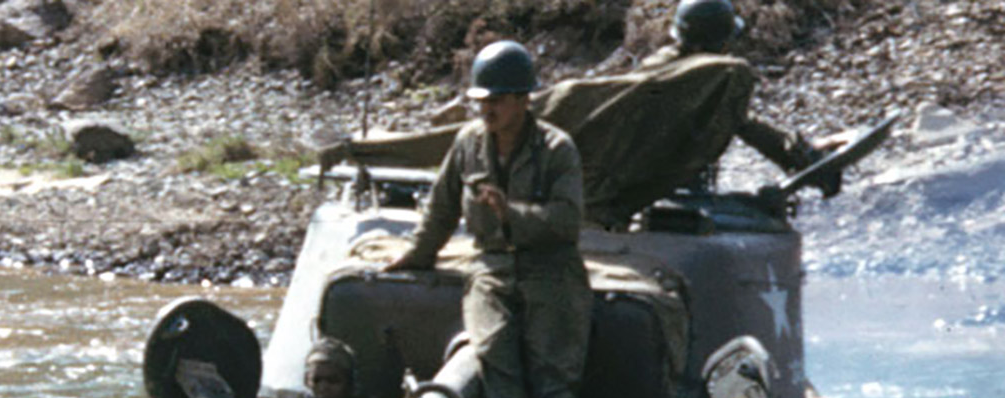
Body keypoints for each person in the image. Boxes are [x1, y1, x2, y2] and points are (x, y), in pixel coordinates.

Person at [320, 0, 839, 227]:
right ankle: (370, 149)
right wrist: (799, 158)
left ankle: (369, 148)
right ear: (723, 41)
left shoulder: (669, 72)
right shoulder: (707, 83)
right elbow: (741, 124)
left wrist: (799, 154)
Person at [385, 40, 592, 398]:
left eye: (496, 101)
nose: (487, 110)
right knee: (492, 346)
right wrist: (417, 255)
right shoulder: (468, 144)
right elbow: (441, 210)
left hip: (550, 266)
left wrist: (511, 214)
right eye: (481, 101)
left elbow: (567, 220)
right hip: (492, 265)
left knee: (552, 354)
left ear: (523, 100)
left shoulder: (557, 149)